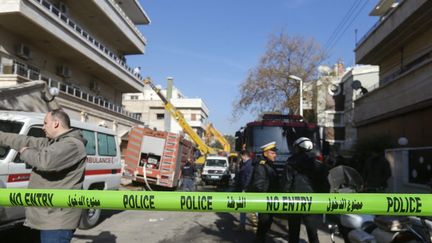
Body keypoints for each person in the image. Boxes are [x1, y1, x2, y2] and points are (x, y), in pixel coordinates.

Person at [0, 109, 87, 243]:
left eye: (45, 123)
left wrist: (25, 152)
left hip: (56, 222)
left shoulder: (72, 145)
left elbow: (45, 161)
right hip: (43, 218)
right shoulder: (54, 143)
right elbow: (25, 140)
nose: (43, 127)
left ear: (56, 123)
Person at [281, 137, 329, 243]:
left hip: (294, 202)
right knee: (313, 233)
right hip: (312, 202)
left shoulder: (291, 163)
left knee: (293, 233)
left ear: (299, 148)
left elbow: (286, 184)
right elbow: (324, 184)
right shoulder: (318, 163)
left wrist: (284, 200)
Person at [248, 141, 279, 243]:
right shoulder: (262, 165)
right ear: (265, 153)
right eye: (272, 153)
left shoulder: (270, 164)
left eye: (275, 153)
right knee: (264, 223)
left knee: (266, 223)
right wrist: (264, 198)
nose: (275, 155)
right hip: (265, 200)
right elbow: (259, 184)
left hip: (270, 199)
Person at [233, 150, 253, 230]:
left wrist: (245, 188)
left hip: (246, 190)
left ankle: (242, 225)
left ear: (244, 155)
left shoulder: (249, 164)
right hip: (245, 189)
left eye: (241, 157)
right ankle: (242, 225)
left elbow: (248, 178)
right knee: (245, 207)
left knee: (248, 207)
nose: (240, 158)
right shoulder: (246, 164)